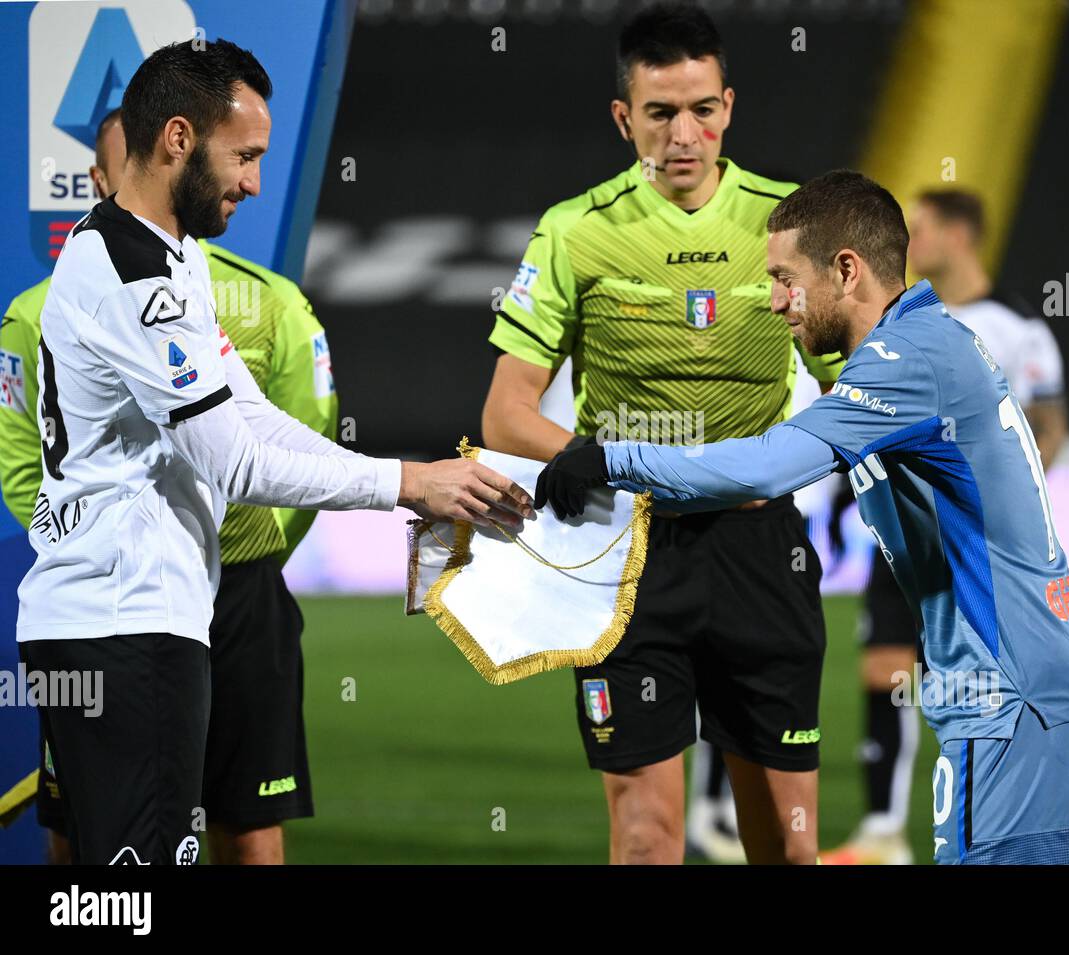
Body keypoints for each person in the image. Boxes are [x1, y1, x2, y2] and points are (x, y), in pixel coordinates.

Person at [16, 39, 530, 865]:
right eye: (244, 156)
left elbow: (248, 414)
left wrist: (419, 476)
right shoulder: (132, 273)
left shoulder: (167, 255)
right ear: (178, 139)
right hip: (124, 628)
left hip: (125, 621)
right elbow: (235, 462)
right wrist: (406, 483)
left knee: (115, 882)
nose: (253, 181)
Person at [537, 170, 1069, 864]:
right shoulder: (921, 343)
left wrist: (609, 457)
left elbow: (762, 466)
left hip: (1015, 692)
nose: (775, 301)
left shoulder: (904, 360)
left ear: (846, 270)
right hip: (1043, 679)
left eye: (786, 278)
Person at [480, 3, 842, 864]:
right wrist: (577, 457)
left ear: (728, 106)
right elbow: (504, 412)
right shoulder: (575, 230)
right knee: (646, 838)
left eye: (703, 109)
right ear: (623, 118)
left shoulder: (790, 225)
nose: (685, 134)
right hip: (628, 556)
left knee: (787, 845)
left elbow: (853, 386)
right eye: (660, 113)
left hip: (762, 549)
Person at [1, 106, 342, 864]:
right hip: (119, 602)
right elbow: (24, 464)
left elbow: (303, 425)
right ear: (100, 179)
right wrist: (95, 536)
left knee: (243, 821)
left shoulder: (267, 299)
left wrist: (244, 548)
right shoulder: (35, 312)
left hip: (241, 594)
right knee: (85, 831)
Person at [824, 188, 1069, 865]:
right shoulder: (897, 318)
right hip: (900, 528)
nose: (908, 239)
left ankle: (992, 829)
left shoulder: (1019, 326)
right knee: (882, 670)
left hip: (976, 542)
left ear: (959, 235)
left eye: (920, 227)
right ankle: (880, 833)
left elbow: (1047, 429)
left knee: (973, 689)